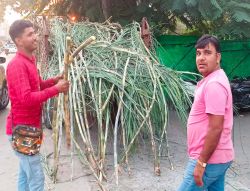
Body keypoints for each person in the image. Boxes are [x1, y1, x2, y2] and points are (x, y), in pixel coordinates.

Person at [6, 19, 70, 191]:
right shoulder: (16, 65)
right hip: (22, 131)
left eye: (35, 33)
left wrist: (53, 82)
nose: (36, 37)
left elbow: (37, 86)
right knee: (36, 178)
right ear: (18, 41)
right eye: (30, 34)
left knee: (25, 175)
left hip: (30, 129)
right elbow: (26, 98)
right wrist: (56, 89)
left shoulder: (29, 61)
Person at [178, 35, 234, 191]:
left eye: (207, 53)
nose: (201, 58)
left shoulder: (214, 84)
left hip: (209, 159)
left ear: (218, 57)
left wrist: (201, 162)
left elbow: (216, 127)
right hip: (218, 157)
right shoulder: (213, 79)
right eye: (198, 53)